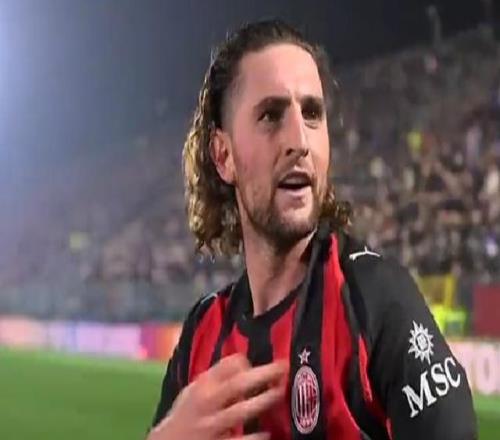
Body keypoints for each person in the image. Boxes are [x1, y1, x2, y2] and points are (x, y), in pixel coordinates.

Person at [147, 19, 476, 440]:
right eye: (271, 116)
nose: (299, 140)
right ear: (224, 155)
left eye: (312, 113)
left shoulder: (372, 298)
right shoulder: (201, 335)